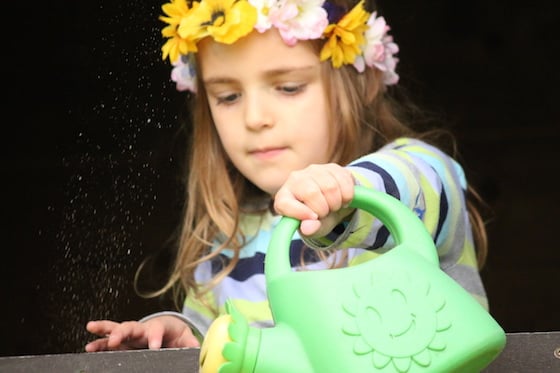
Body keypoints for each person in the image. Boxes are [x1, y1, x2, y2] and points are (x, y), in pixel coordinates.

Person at [85, 0, 490, 352]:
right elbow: (235, 348)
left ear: (361, 83)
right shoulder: (226, 240)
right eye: (228, 96)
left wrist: (342, 197)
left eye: (289, 87)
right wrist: (186, 338)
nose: (255, 118)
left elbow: (405, 187)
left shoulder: (416, 169)